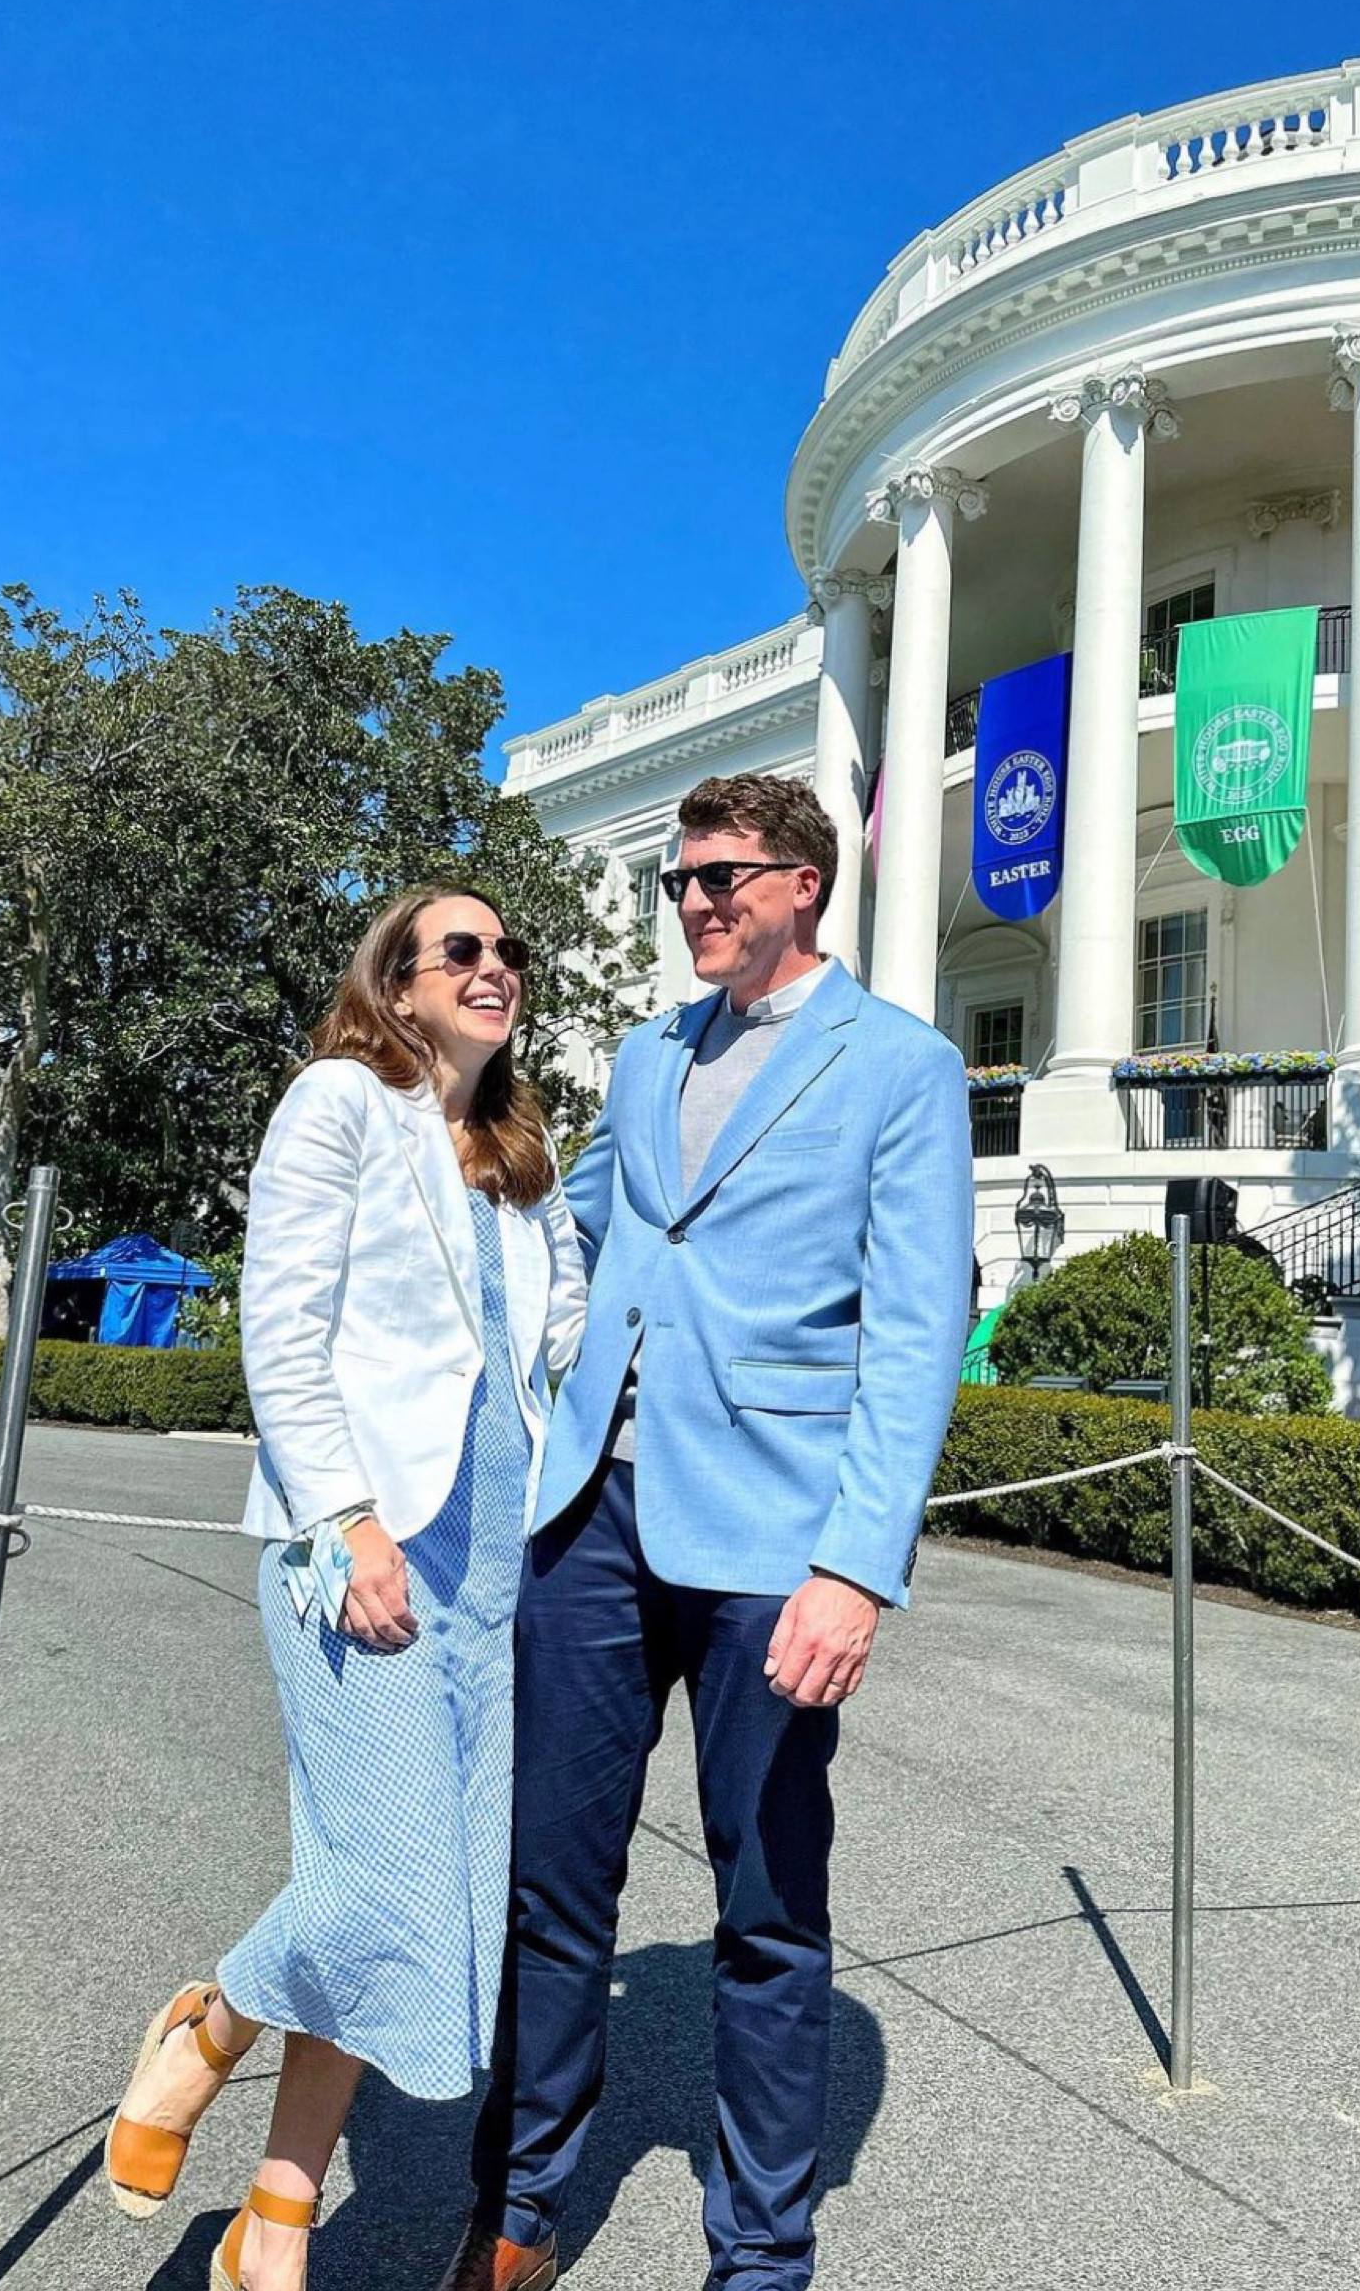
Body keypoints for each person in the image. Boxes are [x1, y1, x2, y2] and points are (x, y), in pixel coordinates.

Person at [449, 776, 974, 2291]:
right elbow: (577, 1226)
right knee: (553, 1889)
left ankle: (760, 2253)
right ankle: (517, 2214)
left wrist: (855, 1570)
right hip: (593, 1520)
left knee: (766, 1909)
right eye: (682, 881)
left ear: (804, 883)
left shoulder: (903, 1067)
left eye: (723, 877)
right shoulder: (641, 1051)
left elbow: (916, 1333)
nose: (693, 902)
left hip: (774, 1548)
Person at [103, 886, 585, 2291]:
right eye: (464, 951)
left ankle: (279, 2213)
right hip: (366, 1548)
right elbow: (284, 1327)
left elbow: (562, 1346)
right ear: (400, 979)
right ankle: (210, 2031)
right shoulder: (338, 1103)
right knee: (392, 1882)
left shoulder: (520, 1155)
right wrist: (348, 1521)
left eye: (508, 953)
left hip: (496, 1574)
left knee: (405, 1894)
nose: (495, 968)